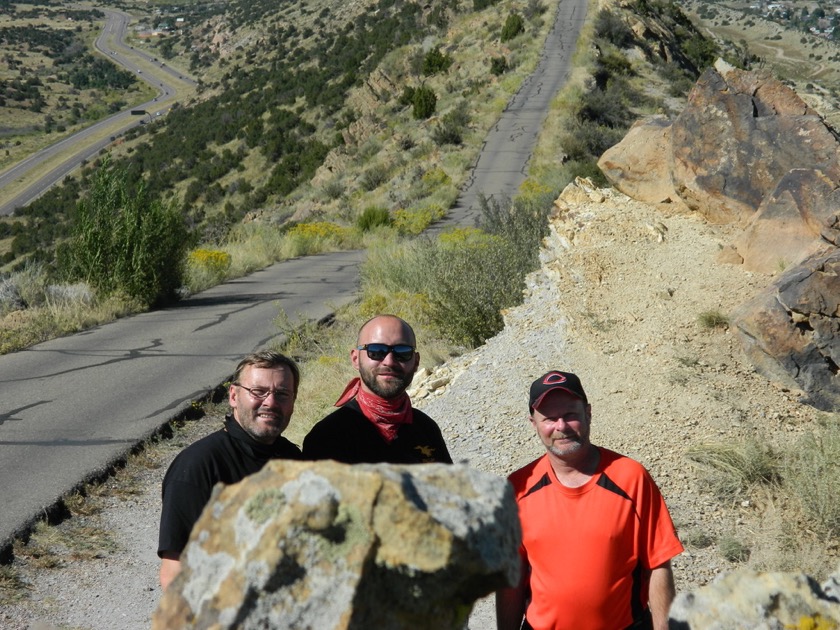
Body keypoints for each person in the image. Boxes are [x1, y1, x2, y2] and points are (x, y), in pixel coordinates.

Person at [497, 370, 683, 630]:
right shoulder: (518, 488)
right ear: (534, 423)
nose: (561, 426)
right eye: (549, 418)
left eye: (570, 415)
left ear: (588, 413)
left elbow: (658, 564)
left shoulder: (631, 478)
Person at [157, 350, 302, 590]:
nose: (271, 402)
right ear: (234, 396)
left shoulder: (293, 459)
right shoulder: (198, 467)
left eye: (282, 394)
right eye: (259, 391)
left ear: (293, 402)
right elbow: (174, 575)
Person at [302, 314, 451, 464]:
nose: (389, 361)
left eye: (402, 352)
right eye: (376, 351)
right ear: (356, 359)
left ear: (416, 361)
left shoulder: (426, 428)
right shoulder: (327, 438)